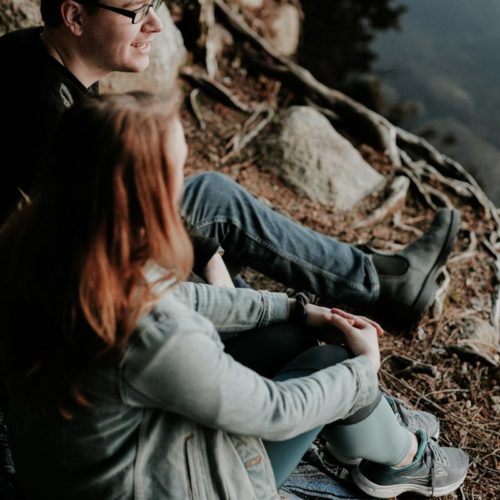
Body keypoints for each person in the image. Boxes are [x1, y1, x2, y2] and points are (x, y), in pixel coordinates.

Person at [0, 91, 468, 499]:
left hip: (88, 471)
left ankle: (375, 441)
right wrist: (364, 370)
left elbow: (183, 298)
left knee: (291, 334)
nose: (184, 189)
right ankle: (405, 458)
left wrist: (296, 309)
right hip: (160, 482)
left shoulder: (50, 253)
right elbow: (273, 410)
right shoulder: (148, 334)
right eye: (175, 174)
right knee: (333, 365)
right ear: (143, 197)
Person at [0, 0, 461, 330]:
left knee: (212, 197)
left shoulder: (37, 57)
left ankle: (381, 280)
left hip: (77, 250)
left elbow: (117, 200)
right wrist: (211, 264)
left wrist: (206, 255)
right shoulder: (43, 113)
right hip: (53, 295)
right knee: (214, 215)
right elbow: (114, 235)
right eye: (136, 11)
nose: (156, 25)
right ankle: (328, 315)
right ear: (75, 16)